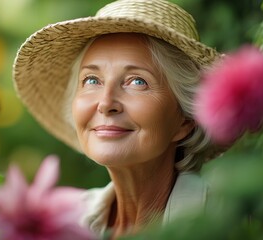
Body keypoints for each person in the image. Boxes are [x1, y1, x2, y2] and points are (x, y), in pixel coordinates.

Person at [12, 0, 224, 238]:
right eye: (92, 80)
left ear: (185, 120)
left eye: (137, 81)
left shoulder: (227, 221)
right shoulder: (61, 223)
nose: (105, 103)